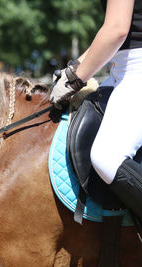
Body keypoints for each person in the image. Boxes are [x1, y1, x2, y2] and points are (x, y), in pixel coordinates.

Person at [50, 0, 142, 221]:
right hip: (122, 68)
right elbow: (113, 32)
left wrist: (76, 80)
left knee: (107, 158)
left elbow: (116, 30)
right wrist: (74, 68)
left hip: (136, 70)